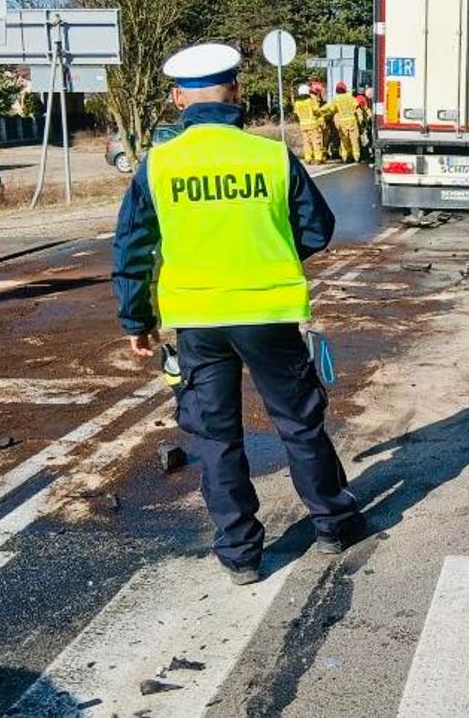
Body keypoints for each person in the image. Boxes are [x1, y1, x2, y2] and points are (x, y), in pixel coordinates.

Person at [111, 43, 363, 585]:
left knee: (215, 435)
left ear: (178, 99)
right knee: (299, 425)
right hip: (268, 312)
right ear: (238, 92)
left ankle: (241, 555)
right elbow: (317, 228)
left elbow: (131, 246)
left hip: (197, 321)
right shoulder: (269, 156)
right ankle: (333, 525)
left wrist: (137, 322)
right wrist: (268, 249)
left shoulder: (159, 165)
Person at [327, 82, 362, 164]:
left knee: (344, 140)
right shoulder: (349, 97)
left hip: (342, 123)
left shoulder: (336, 99)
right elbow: (357, 106)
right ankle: (356, 157)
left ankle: (345, 157)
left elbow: (332, 109)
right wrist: (360, 119)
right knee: (354, 140)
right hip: (352, 121)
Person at [293, 83, 326, 165]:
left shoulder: (297, 103)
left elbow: (296, 114)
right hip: (313, 124)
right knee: (316, 142)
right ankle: (318, 158)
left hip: (303, 125)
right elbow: (316, 111)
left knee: (306, 143)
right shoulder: (311, 100)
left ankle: (308, 158)